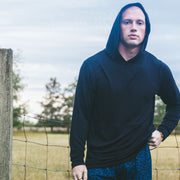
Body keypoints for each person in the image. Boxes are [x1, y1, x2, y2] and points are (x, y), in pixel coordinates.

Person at [70, 2, 180, 180]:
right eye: (127, 22)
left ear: (147, 29)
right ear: (117, 27)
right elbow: (81, 115)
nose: (134, 27)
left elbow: (176, 104)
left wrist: (162, 132)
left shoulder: (157, 68)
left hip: (139, 161)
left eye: (140, 23)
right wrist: (77, 160)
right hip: (99, 164)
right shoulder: (92, 66)